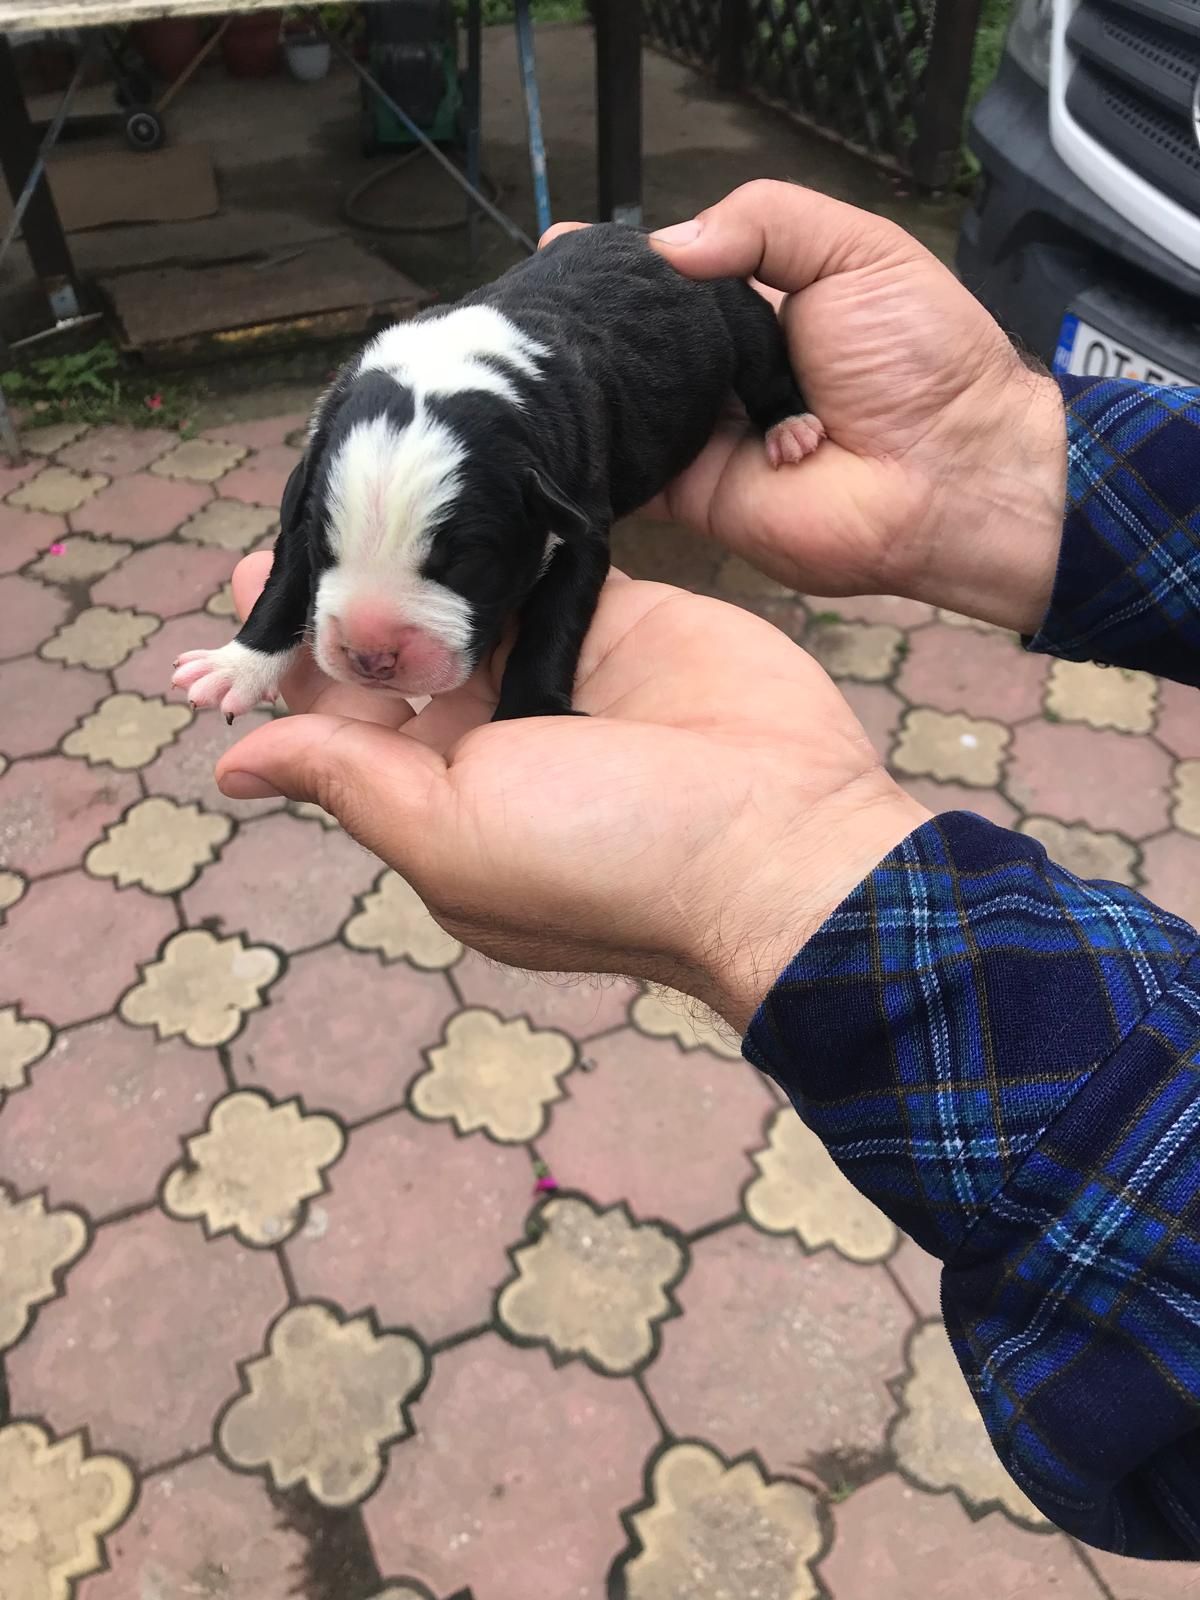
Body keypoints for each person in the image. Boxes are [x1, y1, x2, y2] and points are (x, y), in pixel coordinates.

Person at [214, 182, 1200, 1561]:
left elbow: (574, 549)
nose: (378, 637)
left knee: (744, 341)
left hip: (682, 358)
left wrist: (579, 734)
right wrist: (277, 638)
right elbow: (311, 514)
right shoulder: (371, 425)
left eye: (451, 577)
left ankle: (769, 378)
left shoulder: (553, 484)